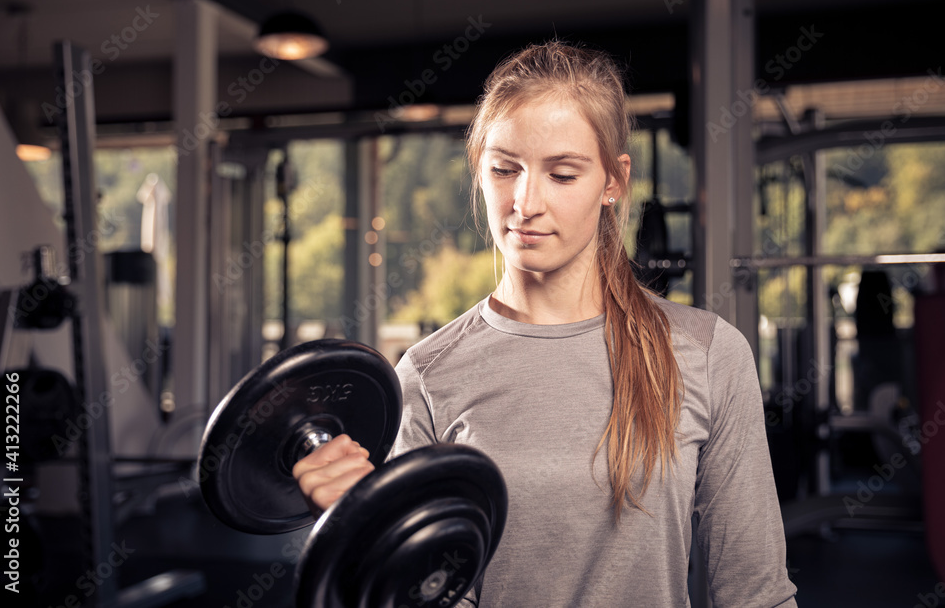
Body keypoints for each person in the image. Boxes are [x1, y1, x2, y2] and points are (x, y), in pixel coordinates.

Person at [293, 41, 798, 607]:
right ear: (480, 171)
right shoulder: (430, 373)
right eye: (504, 169)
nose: (524, 202)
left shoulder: (706, 355)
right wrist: (357, 528)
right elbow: (429, 593)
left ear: (613, 180)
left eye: (561, 174)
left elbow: (756, 593)